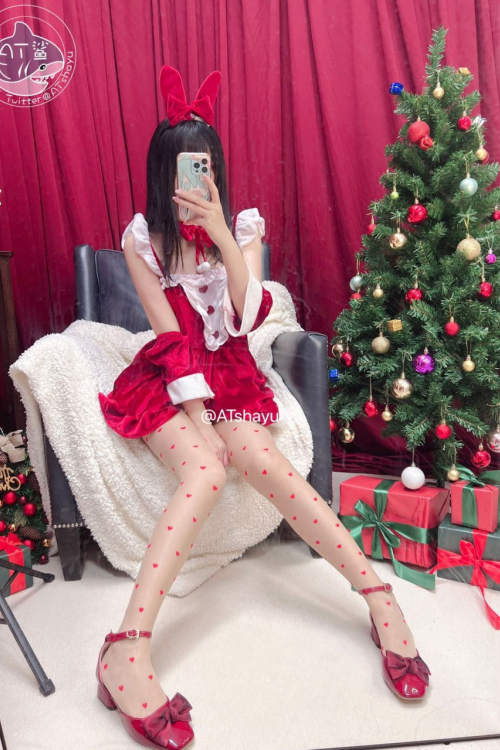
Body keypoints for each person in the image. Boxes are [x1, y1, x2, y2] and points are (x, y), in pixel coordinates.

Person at [95, 65, 431, 750]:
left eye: (207, 165)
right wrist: (199, 422)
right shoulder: (141, 240)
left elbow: (248, 318)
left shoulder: (241, 227)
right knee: (207, 471)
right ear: (163, 173)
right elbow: (168, 335)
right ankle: (124, 650)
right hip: (172, 374)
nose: (197, 178)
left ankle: (378, 596)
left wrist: (221, 235)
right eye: (185, 167)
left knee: (267, 462)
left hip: (230, 369)